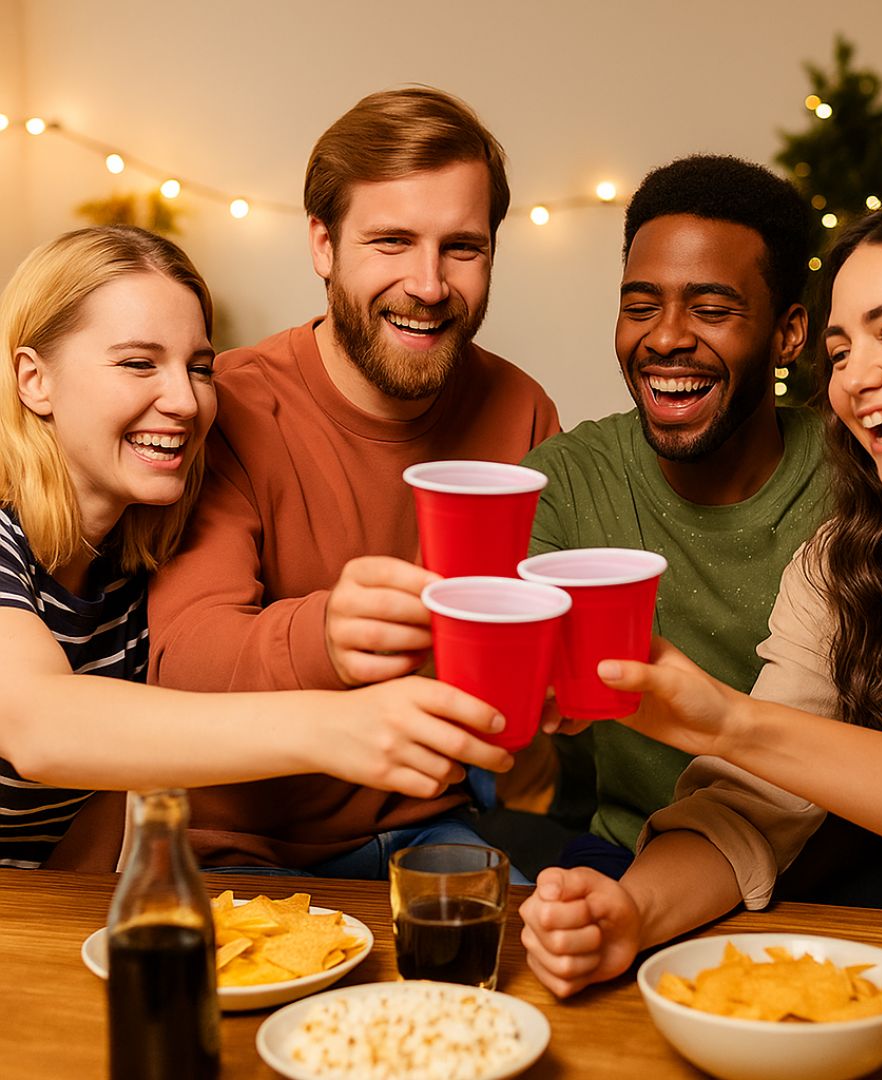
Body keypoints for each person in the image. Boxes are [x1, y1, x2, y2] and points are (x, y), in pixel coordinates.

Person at [520, 188, 882, 997]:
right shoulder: (845, 563)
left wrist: (733, 721)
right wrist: (628, 913)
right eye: (842, 351)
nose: (858, 377)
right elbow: (750, 806)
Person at [0, 225, 512, 870]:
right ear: (33, 379)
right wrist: (335, 728)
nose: (185, 401)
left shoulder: (133, 557)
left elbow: (115, 801)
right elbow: (41, 727)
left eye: (199, 367)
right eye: (137, 363)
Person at [146, 87, 559, 877]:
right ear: (324, 246)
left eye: (462, 247)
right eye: (392, 242)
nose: (430, 285)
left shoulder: (522, 411)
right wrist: (326, 634)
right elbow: (179, 662)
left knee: (539, 977)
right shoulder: (226, 406)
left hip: (434, 829)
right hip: (243, 844)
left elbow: (537, 654)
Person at [493, 155, 830, 880]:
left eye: (712, 310)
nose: (667, 337)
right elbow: (503, 700)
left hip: (837, 869)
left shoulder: (857, 479)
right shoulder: (565, 481)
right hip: (631, 852)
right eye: (641, 306)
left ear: (789, 333)